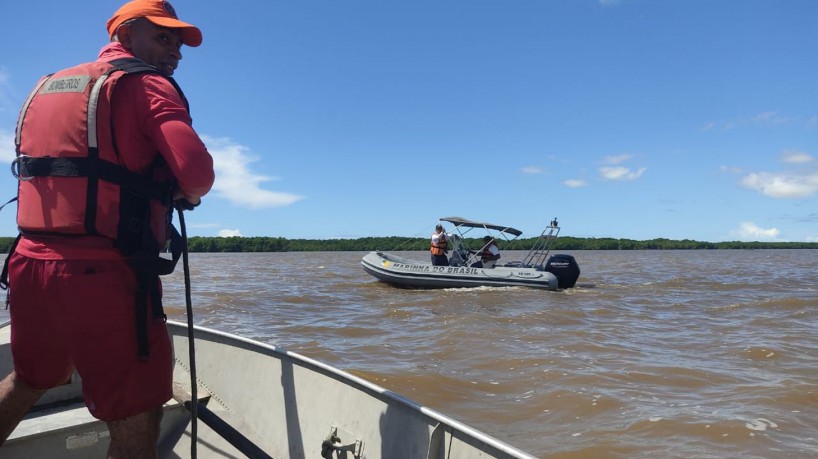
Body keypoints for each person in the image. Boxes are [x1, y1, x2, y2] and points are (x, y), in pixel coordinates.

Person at [0, 1, 215, 457]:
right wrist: (184, 193)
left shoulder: (47, 84)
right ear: (125, 35)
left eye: (178, 43)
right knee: (138, 413)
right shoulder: (149, 85)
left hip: (28, 266)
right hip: (104, 276)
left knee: (30, 378)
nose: (175, 51)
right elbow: (197, 175)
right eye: (163, 37)